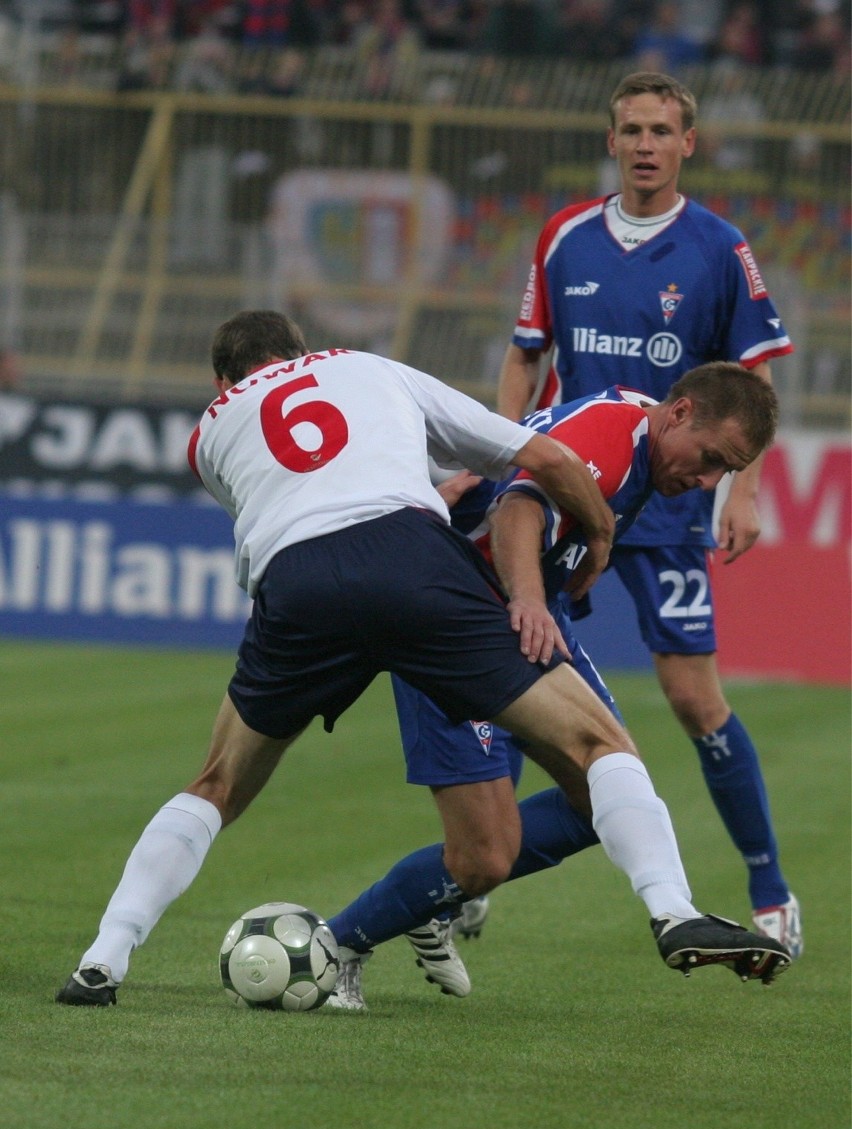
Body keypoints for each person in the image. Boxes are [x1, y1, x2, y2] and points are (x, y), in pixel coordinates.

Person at [55, 311, 791, 1007]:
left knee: (217, 784)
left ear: (226, 382)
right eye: (712, 465)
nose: (704, 482)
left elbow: (279, 501)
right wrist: (597, 533)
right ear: (309, 351)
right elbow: (533, 461)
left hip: (298, 585)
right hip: (423, 574)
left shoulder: (209, 432)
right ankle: (669, 912)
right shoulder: (368, 368)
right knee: (596, 751)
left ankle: (101, 960)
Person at [324, 363, 786, 1010]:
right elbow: (520, 505)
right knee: (484, 856)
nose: (707, 482)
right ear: (678, 413)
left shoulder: (639, 429)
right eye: (709, 459)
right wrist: (532, 601)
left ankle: (674, 915)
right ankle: (335, 945)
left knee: (600, 789)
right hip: (455, 621)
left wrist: (588, 543)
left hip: (518, 612)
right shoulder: (610, 434)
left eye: (725, 473)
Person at [497, 71, 802, 957]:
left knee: (691, 696)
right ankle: (475, 868)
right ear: (612, 138)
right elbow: (526, 358)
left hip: (665, 503)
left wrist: (741, 489)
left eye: (661, 131)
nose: (644, 145)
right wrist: (506, 446)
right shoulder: (564, 237)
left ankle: (770, 886)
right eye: (631, 128)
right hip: (564, 491)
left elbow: (752, 380)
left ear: (687, 144)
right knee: (516, 669)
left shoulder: (718, 247)